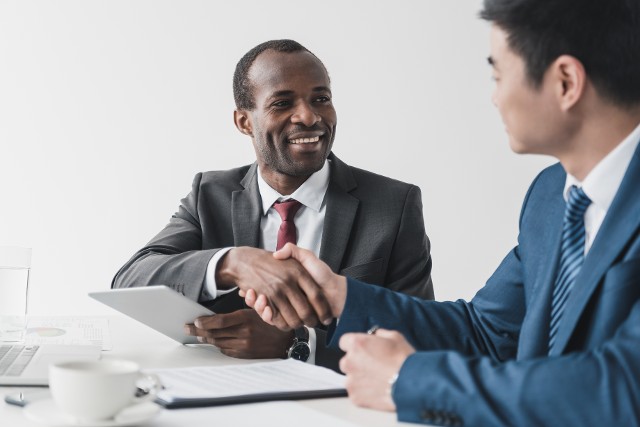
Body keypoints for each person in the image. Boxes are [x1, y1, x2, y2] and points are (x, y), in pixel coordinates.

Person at [240, 1, 640, 425]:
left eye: (498, 74)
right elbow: (486, 332)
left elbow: (622, 386)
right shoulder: (549, 196)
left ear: (565, 82)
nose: (494, 96)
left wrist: (406, 379)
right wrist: (336, 296)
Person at [111, 39, 434, 370]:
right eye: (282, 103)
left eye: (320, 99)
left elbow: (420, 337)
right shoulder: (210, 194)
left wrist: (300, 343)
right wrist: (232, 263)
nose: (309, 117)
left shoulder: (394, 204)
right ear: (244, 122)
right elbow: (130, 281)